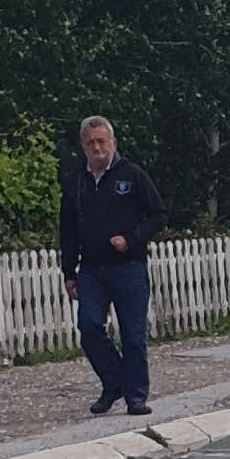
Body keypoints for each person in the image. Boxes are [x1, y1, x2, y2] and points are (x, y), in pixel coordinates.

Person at [59, 115, 163, 417]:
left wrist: (131, 239)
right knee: (89, 326)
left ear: (113, 143)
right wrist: (69, 271)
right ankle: (113, 381)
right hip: (92, 268)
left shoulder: (132, 175)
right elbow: (67, 229)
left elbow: (158, 215)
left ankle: (136, 396)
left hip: (128, 266)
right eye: (90, 143)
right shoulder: (76, 182)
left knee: (132, 335)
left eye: (101, 141)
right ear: (83, 146)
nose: (97, 148)